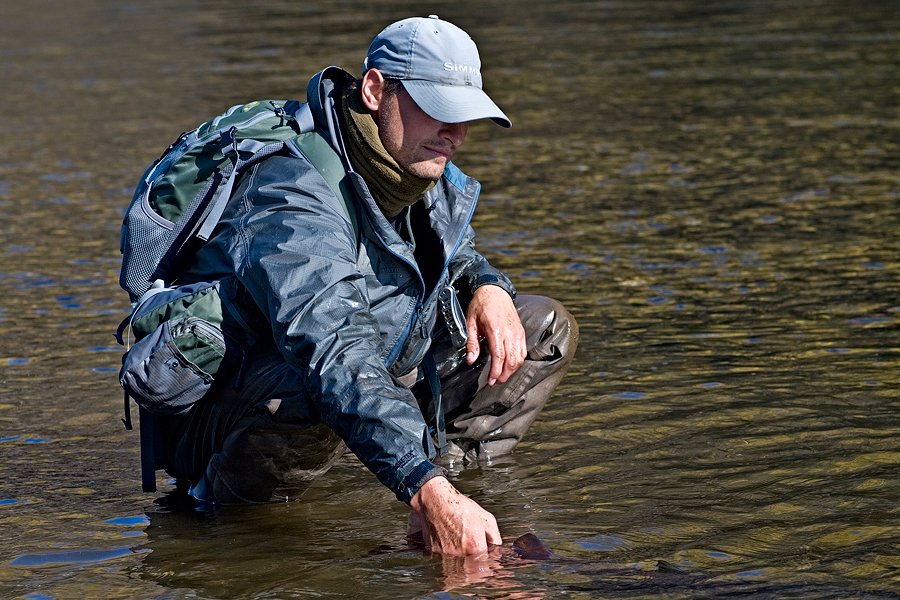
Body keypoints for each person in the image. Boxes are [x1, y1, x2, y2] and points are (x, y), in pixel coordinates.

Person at [153, 15, 578, 557]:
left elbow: (454, 248)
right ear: (375, 91)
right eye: (439, 109)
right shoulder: (291, 195)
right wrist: (422, 486)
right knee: (313, 390)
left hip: (369, 361)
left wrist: (486, 285)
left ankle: (448, 499)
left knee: (540, 327)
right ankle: (238, 530)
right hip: (242, 405)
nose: (456, 132)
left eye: (466, 115)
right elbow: (334, 352)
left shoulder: (412, 164)